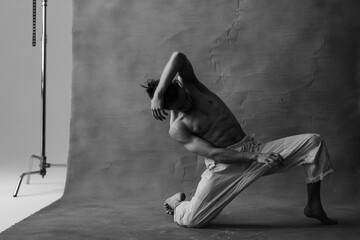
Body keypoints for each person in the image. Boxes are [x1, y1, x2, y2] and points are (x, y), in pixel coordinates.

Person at [142, 51, 337, 228]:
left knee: (314, 142)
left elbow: (178, 56)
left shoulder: (191, 86)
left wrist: (158, 93)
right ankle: (177, 204)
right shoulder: (177, 128)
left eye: (185, 98)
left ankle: (313, 205)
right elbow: (214, 153)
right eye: (181, 106)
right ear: (170, 110)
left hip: (254, 150)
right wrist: (255, 157)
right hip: (225, 167)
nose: (187, 103)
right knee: (193, 220)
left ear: (178, 85)